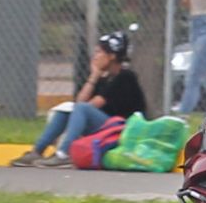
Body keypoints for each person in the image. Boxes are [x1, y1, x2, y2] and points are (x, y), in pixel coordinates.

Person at [10, 31, 147, 168]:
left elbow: (90, 105)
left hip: (124, 132)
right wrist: (94, 76)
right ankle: (37, 151)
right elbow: (79, 102)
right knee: (67, 110)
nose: (95, 57)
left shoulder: (126, 77)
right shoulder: (104, 77)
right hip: (107, 128)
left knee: (82, 108)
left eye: (99, 52)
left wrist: (94, 76)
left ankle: (64, 154)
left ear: (111, 56)